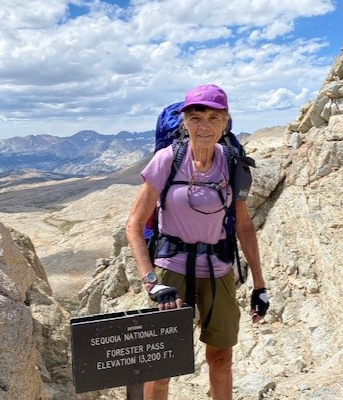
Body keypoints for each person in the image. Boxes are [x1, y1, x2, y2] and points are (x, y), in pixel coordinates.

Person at [125, 84, 269, 400]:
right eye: (196, 117)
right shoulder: (167, 160)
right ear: (185, 121)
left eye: (213, 118)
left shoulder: (233, 164)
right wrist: (152, 282)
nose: (204, 126)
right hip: (171, 273)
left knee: (221, 357)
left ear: (225, 122)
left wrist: (259, 285)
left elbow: (244, 227)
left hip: (218, 270)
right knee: (162, 365)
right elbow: (134, 225)